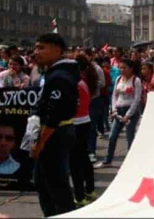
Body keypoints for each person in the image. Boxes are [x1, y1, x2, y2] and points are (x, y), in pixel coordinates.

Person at [30, 33, 79, 216]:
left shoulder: (60, 76)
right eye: (36, 47)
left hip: (54, 135)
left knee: (57, 188)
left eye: (41, 47)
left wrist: (40, 142)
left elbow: (54, 114)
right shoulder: (52, 72)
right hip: (52, 133)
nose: (36, 52)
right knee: (43, 184)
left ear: (57, 50)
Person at [95, 59, 142, 169]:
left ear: (131, 69)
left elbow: (136, 99)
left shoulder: (136, 80)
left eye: (124, 67)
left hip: (131, 112)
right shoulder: (118, 79)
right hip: (118, 111)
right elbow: (114, 96)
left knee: (130, 137)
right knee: (112, 136)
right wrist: (114, 110)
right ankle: (108, 161)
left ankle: (131, 162)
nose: (122, 70)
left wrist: (128, 115)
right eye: (120, 67)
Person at [70, 55, 97, 207]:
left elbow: (73, 106)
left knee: (75, 163)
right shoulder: (82, 82)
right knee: (84, 159)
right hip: (84, 121)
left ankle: (80, 196)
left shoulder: (75, 84)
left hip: (76, 123)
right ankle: (90, 189)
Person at [85, 50, 106, 164]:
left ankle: (91, 151)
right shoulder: (79, 69)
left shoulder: (97, 69)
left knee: (92, 127)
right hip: (83, 101)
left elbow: (102, 83)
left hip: (94, 100)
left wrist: (91, 83)